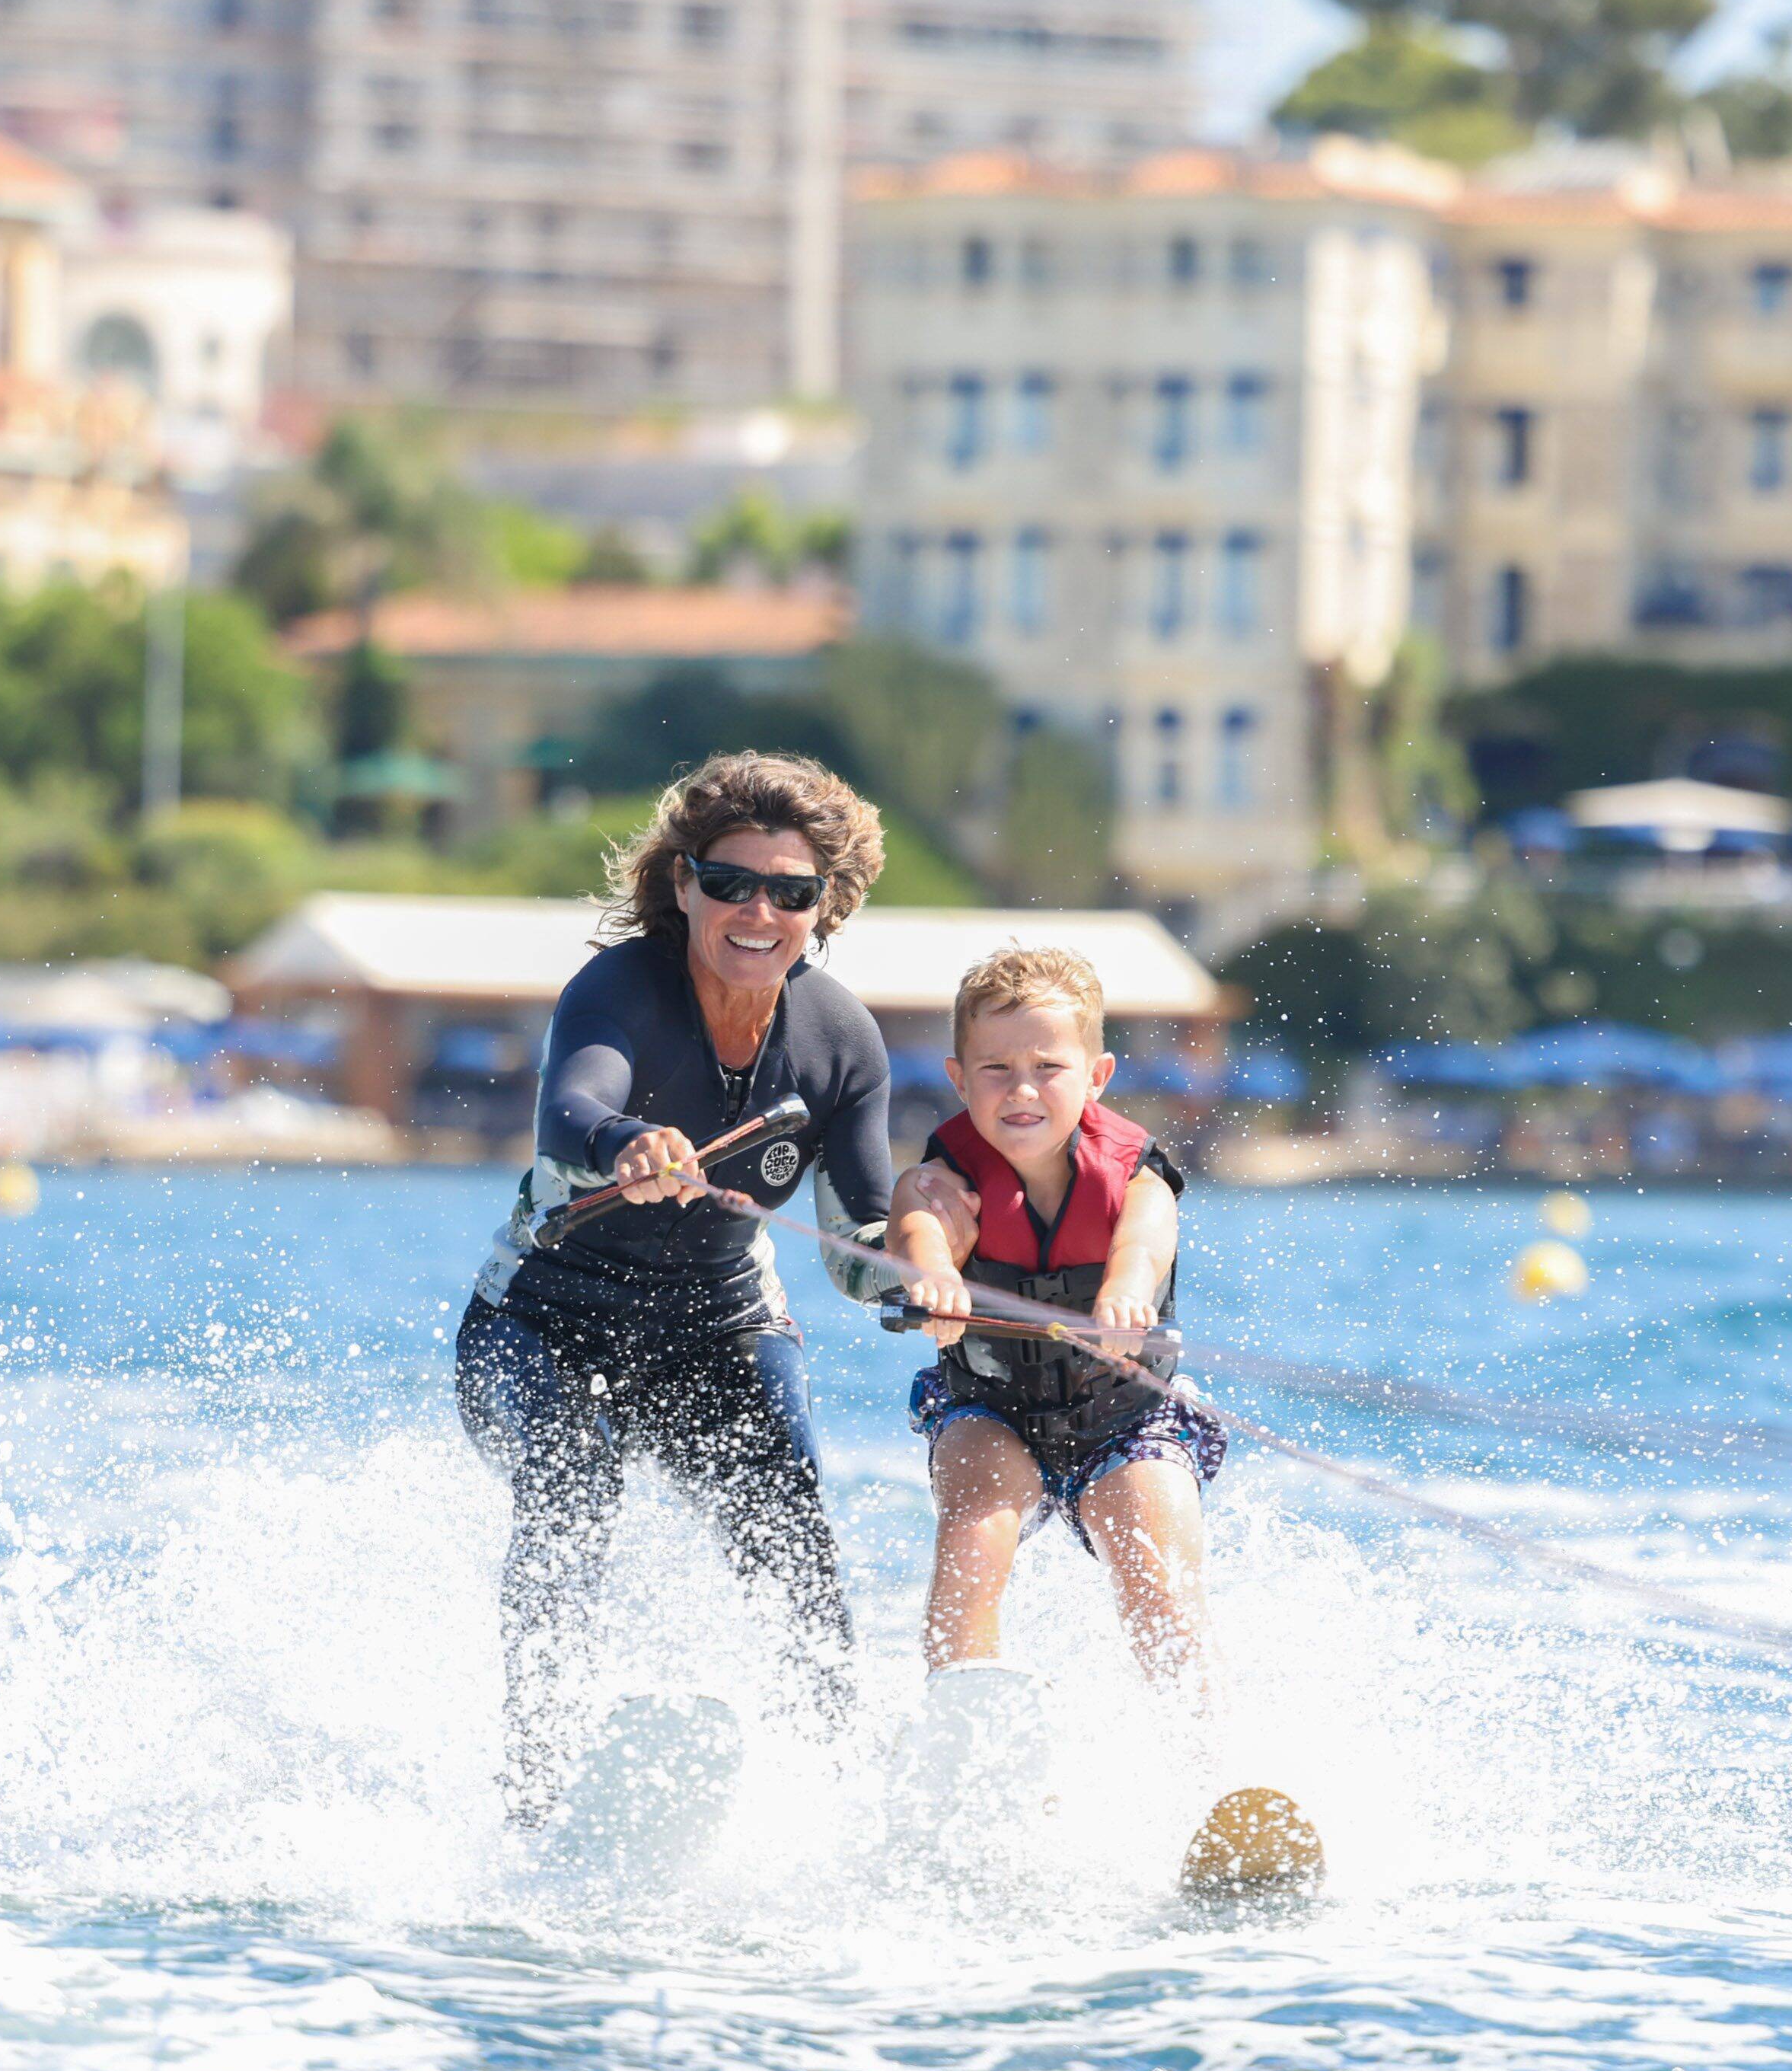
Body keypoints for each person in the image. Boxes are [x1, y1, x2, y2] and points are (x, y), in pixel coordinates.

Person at [455, 752, 904, 1823]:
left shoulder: (840, 1042)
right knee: (571, 1487)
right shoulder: (619, 990)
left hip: (721, 1325)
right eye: (728, 883)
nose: (758, 912)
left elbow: (857, 1244)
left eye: (791, 893)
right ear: (682, 887)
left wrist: (913, 1278)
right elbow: (568, 1111)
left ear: (824, 906)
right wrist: (625, 1141)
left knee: (793, 1534)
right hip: (542, 1324)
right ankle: (535, 1787)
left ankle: (844, 1792)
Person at [888, 945, 1227, 1723]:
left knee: (1155, 1574)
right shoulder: (945, 1176)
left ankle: (1207, 1762)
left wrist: (1122, 1294)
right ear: (958, 1078)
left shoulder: (1134, 1176)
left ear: (1096, 1075)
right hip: (990, 1407)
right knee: (974, 1523)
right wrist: (931, 1275)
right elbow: (915, 1222)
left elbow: (1145, 1242)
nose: (1022, 1089)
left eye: (1047, 1065)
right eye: (997, 1068)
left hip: (1126, 1414)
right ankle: (965, 1726)